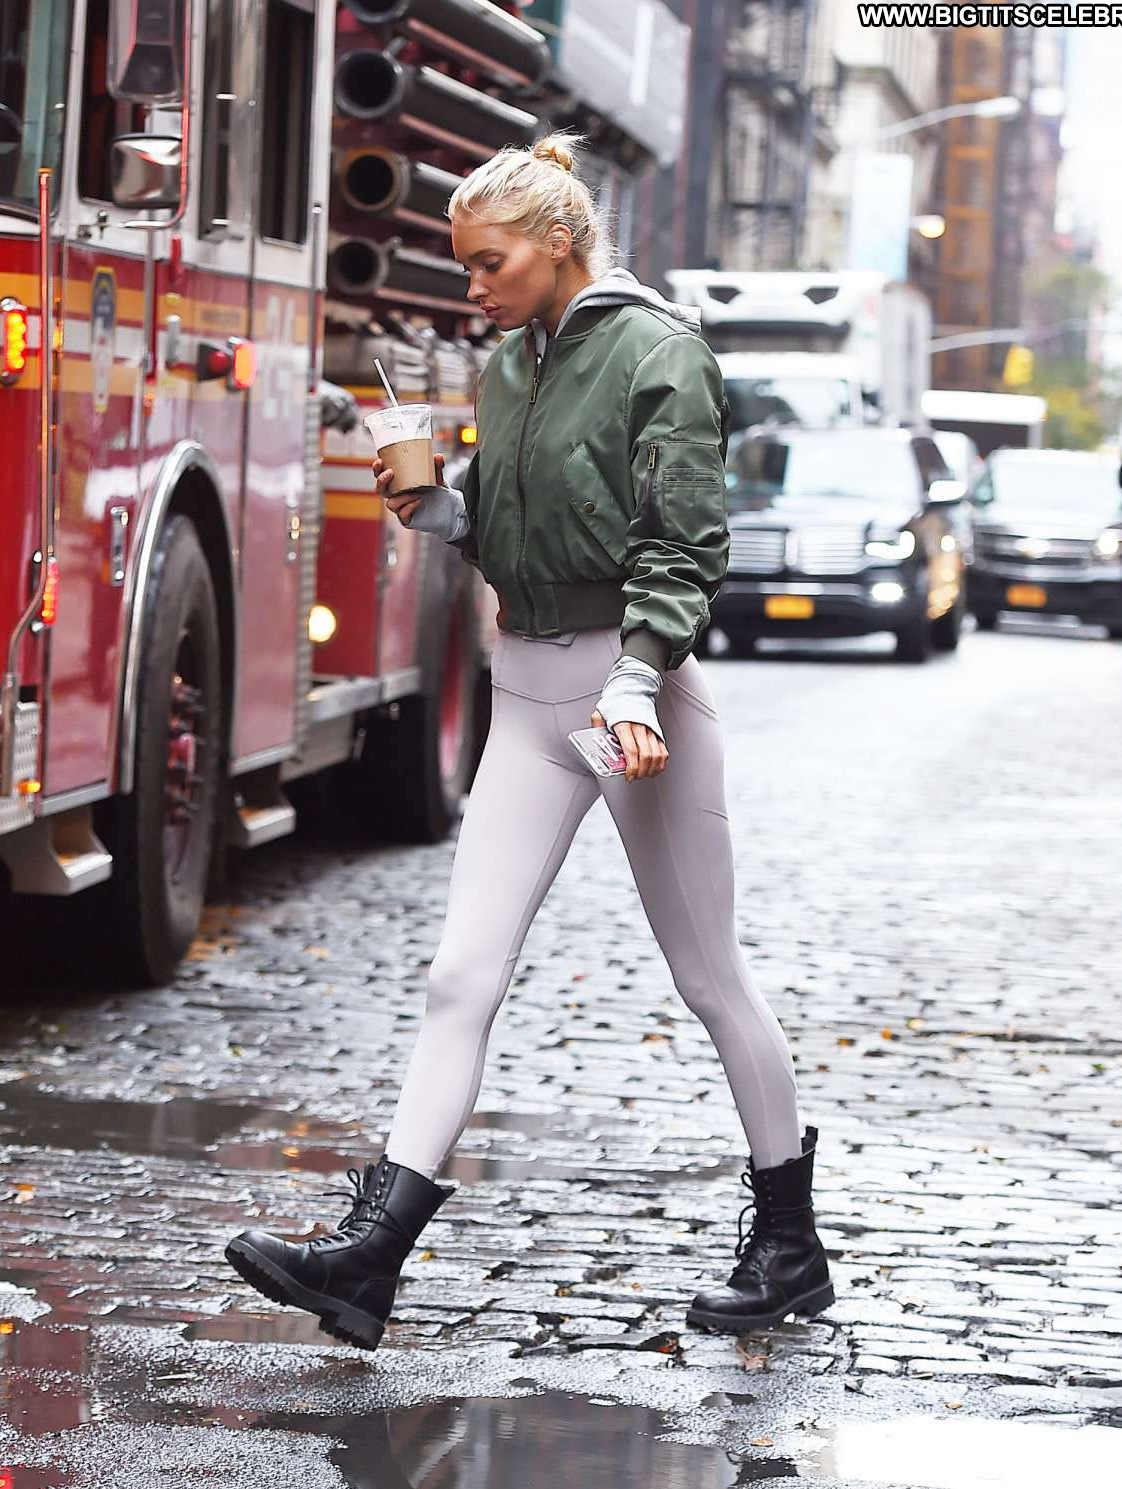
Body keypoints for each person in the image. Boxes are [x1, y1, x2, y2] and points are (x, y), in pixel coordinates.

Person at [226, 133, 832, 1351]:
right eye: (464, 266)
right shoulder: (511, 368)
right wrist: (446, 512)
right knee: (460, 976)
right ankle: (372, 1257)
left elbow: (684, 543)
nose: (474, 288)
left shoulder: (660, 353)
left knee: (709, 978)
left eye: (488, 263)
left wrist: (638, 682)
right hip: (525, 699)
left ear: (560, 242)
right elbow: (514, 533)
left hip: (628, 698)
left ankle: (789, 1247)